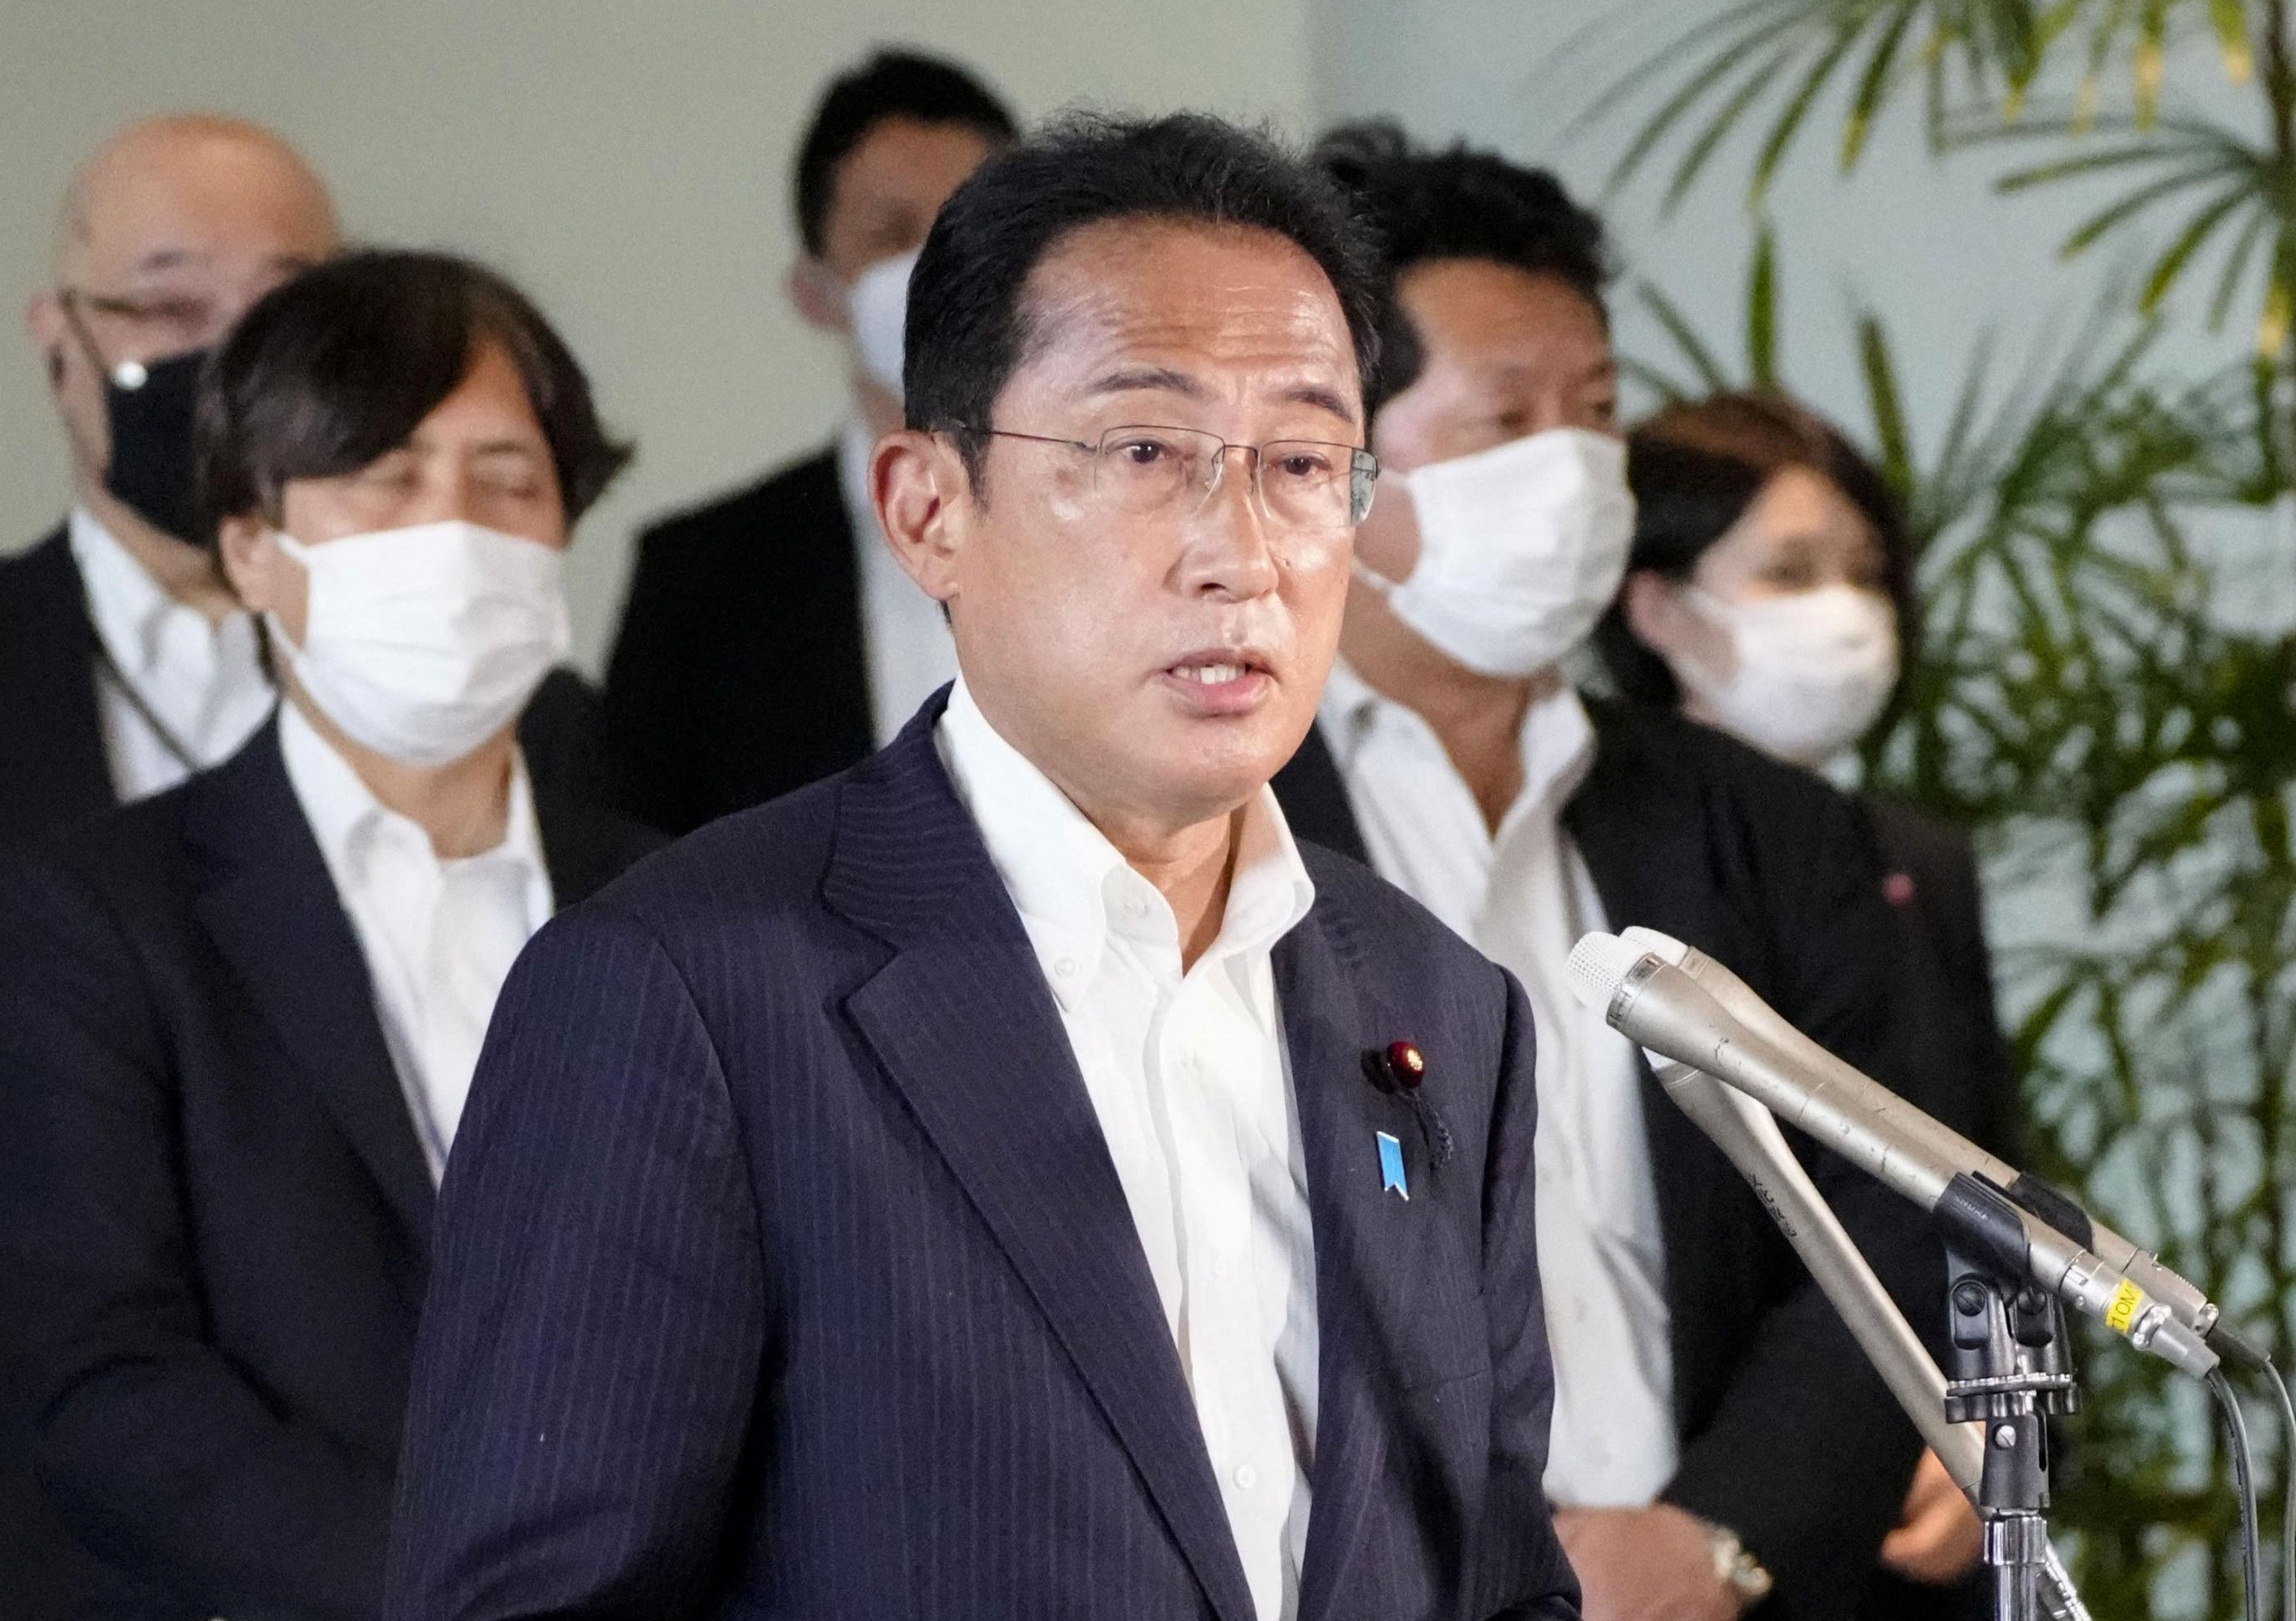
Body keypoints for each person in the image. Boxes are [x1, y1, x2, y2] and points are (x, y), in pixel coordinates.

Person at [383, 113, 1579, 1621]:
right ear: (928, 510)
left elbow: (1499, 1581)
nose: (1240, 552)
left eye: (1298, 462)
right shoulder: (682, 993)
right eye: (1143, 451)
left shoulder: (1437, 1007)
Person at [1267, 123, 1941, 1621]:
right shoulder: (1212, 822)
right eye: (1504, 418)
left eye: (1594, 412)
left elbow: (1891, 1213)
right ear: (1330, 462)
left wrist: (1718, 1535)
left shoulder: (1764, 828)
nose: (1572, 470)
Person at [0, 250, 658, 1621]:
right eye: (385, 476)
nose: (453, 529)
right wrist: (461, 1589)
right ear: (253, 545)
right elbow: (96, 1377)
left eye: (507, 480)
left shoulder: (680, 903)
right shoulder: (100, 917)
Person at [1603, 388, 2021, 1605]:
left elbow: (1984, 1177)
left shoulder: (1911, 860)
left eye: (1862, 572)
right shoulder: (1597, 851)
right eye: (1788, 571)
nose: (1841, 608)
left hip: (1913, 1534)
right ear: (1654, 605)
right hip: (1669, 1511)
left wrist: (1996, 1421)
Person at [601, 48, 1018, 833]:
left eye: (969, 228)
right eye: (891, 234)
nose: (937, 267)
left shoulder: (1125, 526)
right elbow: (640, 862)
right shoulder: (698, 582)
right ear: (813, 289)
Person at [2, 114, 338, 846]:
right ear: (58, 341)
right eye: (169, 308)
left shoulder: (472, 676)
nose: (232, 357)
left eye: (283, 311)